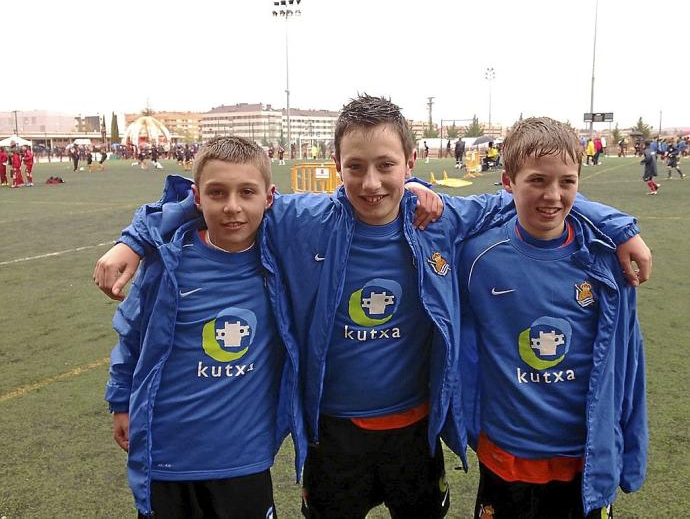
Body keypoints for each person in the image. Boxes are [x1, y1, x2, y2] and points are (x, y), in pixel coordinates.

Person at [94, 95, 651, 519]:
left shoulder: (440, 220)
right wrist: (135, 239)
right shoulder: (300, 220)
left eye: (385, 165)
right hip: (333, 436)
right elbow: (213, 199)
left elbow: (533, 195)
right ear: (336, 164)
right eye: (355, 166)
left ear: (410, 161)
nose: (371, 182)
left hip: (416, 433)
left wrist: (618, 227)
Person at [456, 117, 647, 518]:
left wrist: (628, 450)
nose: (553, 195)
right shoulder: (476, 256)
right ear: (508, 182)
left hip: (583, 458)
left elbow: (629, 360)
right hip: (506, 454)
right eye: (537, 181)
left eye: (567, 182)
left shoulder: (608, 260)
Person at [104, 136, 304, 518]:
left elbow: (344, 205)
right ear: (197, 197)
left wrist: (414, 186)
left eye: (247, 192)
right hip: (168, 455)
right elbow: (132, 336)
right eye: (217, 193)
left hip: (244, 458)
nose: (232, 207)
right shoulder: (168, 262)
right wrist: (120, 401)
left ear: (269, 197)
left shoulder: (281, 258)